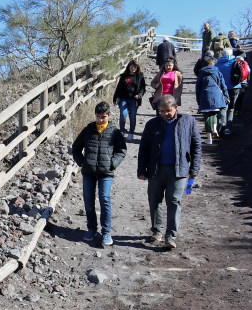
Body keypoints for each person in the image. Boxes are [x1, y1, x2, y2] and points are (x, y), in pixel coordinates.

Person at [136, 95, 201, 251]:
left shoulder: (188, 121)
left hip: (179, 170)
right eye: (161, 111)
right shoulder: (152, 124)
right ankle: (157, 230)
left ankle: (171, 236)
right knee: (154, 200)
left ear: (176, 108)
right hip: (156, 169)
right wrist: (141, 170)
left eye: (168, 111)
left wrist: (194, 170)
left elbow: (196, 146)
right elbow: (144, 148)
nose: (164, 114)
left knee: (173, 201)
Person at [72, 102, 127, 247]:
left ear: (108, 115)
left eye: (103, 117)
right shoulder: (88, 129)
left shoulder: (114, 131)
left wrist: (112, 163)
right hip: (88, 172)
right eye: (98, 116)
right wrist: (82, 162)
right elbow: (76, 148)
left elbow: (122, 150)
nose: (100, 120)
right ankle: (91, 229)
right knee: (88, 201)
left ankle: (106, 232)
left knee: (104, 199)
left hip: (106, 172)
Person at [197, 57, 230, 142]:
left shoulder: (201, 73)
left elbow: (198, 88)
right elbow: (223, 86)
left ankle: (209, 138)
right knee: (214, 114)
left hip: (205, 96)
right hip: (217, 96)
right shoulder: (218, 72)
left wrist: (198, 100)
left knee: (207, 117)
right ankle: (215, 130)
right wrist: (227, 96)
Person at [112, 60, 146, 141]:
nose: (133, 68)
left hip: (133, 100)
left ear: (137, 67)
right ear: (129, 67)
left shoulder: (140, 76)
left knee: (132, 116)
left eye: (135, 67)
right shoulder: (124, 76)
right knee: (123, 115)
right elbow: (118, 87)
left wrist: (140, 95)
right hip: (123, 99)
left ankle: (131, 133)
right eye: (131, 66)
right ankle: (122, 131)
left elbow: (143, 88)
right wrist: (115, 98)